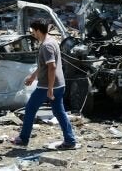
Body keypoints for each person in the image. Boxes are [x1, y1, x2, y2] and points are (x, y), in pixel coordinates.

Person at [10, 20, 77, 149]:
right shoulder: (51, 41)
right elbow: (45, 65)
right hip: (58, 84)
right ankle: (70, 140)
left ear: (38, 30)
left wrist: (50, 88)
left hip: (47, 86)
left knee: (30, 109)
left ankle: (23, 139)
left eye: (33, 31)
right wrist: (34, 75)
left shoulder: (46, 45)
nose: (32, 34)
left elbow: (51, 67)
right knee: (59, 112)